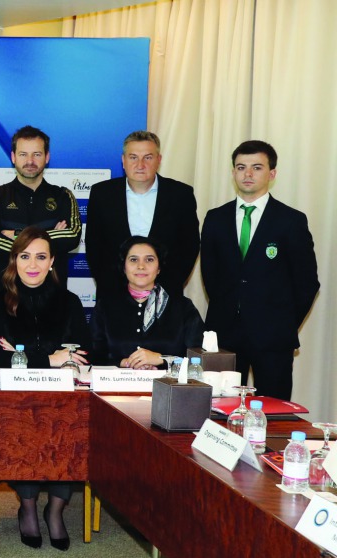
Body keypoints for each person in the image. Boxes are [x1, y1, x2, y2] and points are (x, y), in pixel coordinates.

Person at [0, 227, 89, 550]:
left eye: (41, 257)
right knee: (24, 428)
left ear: (52, 261)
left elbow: (81, 353)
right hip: (18, 396)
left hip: (63, 396)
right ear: (14, 260)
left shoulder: (69, 301)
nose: (33, 264)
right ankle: (27, 507)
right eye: (25, 256)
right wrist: (51, 357)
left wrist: (24, 353)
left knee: (71, 429)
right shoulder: (1, 299)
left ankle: (55, 509)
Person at [200, 140, 319, 400]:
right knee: (221, 408)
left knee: (273, 412)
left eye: (257, 167)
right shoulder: (215, 218)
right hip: (225, 335)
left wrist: (283, 323)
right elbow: (210, 276)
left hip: (273, 338)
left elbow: (307, 282)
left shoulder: (290, 220)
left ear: (272, 174)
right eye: (241, 167)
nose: (248, 174)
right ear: (233, 172)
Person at [86, 131, 199, 295]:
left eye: (148, 157)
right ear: (123, 161)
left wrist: (168, 285)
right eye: (133, 157)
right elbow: (94, 245)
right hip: (113, 295)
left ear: (159, 160)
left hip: (166, 295)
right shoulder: (101, 194)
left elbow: (190, 245)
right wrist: (109, 285)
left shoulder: (181, 194)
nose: (140, 164)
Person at [0, 126, 81, 304]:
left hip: (52, 299)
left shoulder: (63, 196)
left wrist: (16, 235)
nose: (30, 161)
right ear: (13, 157)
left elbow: (71, 236)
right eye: (23, 154)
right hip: (3, 298)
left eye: (37, 154)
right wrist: (49, 236)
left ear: (47, 157)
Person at [90, 237, 204, 368]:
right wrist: (126, 363)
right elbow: (94, 355)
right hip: (117, 385)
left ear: (159, 268)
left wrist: (161, 359)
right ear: (123, 267)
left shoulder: (182, 307)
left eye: (149, 259)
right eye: (133, 260)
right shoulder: (105, 306)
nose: (141, 266)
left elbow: (199, 356)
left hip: (169, 385)